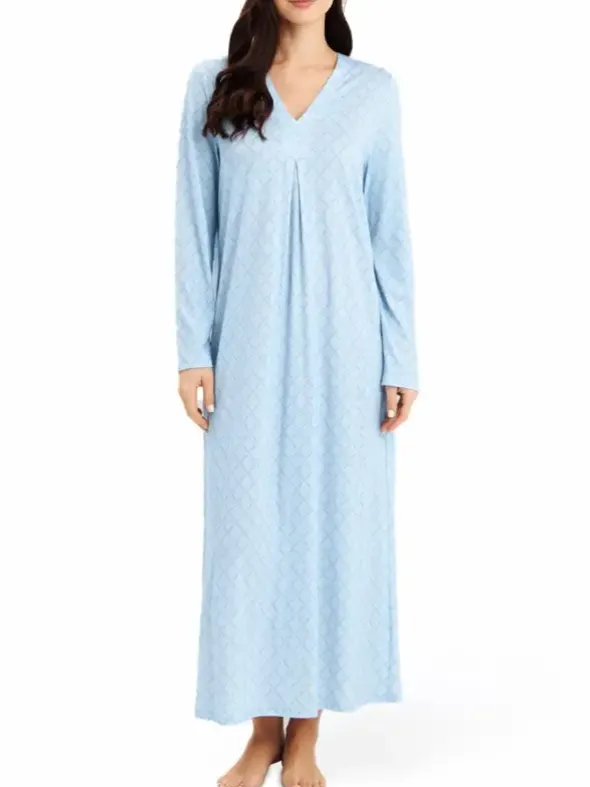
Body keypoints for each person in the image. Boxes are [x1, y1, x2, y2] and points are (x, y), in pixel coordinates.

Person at [175, 1, 418, 785]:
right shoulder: (215, 86)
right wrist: (192, 349)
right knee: (249, 536)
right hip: (244, 348)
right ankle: (261, 730)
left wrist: (400, 356)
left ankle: (305, 732)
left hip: (346, 349)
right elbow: (195, 225)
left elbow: (389, 233)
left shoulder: (373, 93)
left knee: (327, 529)